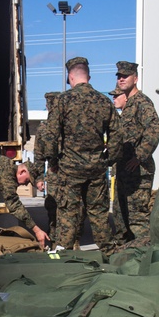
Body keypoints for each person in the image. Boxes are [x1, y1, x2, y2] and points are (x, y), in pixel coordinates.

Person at [36, 57, 123, 256]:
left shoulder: (63, 101)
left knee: (68, 213)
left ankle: (64, 256)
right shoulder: (103, 101)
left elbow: (51, 134)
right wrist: (108, 158)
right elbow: (118, 133)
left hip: (70, 168)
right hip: (96, 168)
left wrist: (53, 161)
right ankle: (109, 254)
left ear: (71, 77)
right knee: (99, 213)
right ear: (88, 77)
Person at [110, 61, 159, 245]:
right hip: (125, 172)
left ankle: (148, 256)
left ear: (136, 78)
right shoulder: (128, 105)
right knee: (121, 218)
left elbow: (154, 129)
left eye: (125, 75)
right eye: (119, 76)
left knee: (137, 219)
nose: (121, 79)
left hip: (138, 173)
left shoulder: (142, 102)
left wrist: (139, 156)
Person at [36, 91, 83, 249]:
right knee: (55, 209)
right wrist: (38, 179)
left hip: (68, 173)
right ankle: (57, 241)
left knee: (72, 208)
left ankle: (72, 240)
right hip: (58, 174)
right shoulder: (45, 128)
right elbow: (39, 156)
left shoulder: (70, 126)